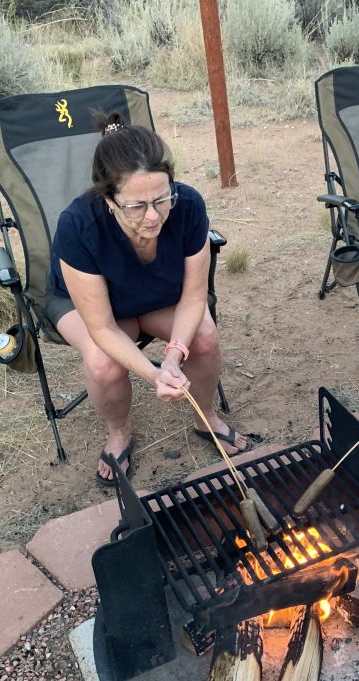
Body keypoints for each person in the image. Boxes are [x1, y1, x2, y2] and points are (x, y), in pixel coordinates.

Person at [47, 113, 254, 485]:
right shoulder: (78, 225)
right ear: (109, 199)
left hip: (157, 296)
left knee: (203, 337)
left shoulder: (188, 205)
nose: (153, 214)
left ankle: (205, 417)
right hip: (97, 307)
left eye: (162, 198)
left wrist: (173, 355)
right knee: (103, 362)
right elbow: (102, 326)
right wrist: (155, 373)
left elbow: (194, 298)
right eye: (136, 206)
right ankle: (119, 432)